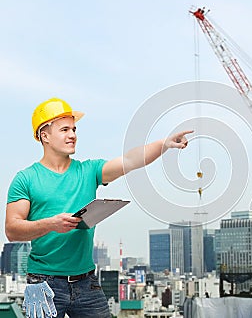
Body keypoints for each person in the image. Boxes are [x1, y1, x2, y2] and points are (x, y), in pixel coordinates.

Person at [5, 97, 192, 318]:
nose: (73, 135)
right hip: (44, 284)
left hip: (86, 283)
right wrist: (51, 224)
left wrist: (164, 144)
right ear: (44, 136)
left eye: (74, 129)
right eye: (64, 129)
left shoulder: (89, 171)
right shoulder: (26, 179)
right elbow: (12, 229)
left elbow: (130, 161)